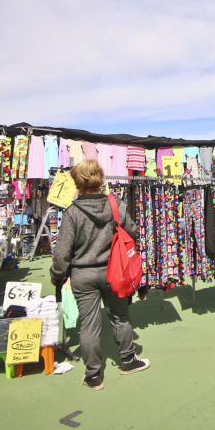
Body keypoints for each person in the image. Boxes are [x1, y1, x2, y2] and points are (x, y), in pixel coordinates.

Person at [51, 160, 150, 390]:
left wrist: (57, 275)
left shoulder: (72, 212)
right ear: (100, 178)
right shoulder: (115, 204)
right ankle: (128, 360)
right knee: (120, 317)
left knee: (89, 325)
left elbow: (62, 252)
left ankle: (94, 376)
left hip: (83, 275)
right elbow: (133, 231)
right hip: (114, 271)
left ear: (78, 181)